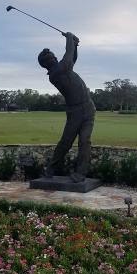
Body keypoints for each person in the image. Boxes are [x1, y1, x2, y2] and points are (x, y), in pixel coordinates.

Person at [37, 32, 96, 183]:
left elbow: (72, 58)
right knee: (66, 142)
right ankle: (51, 168)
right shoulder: (55, 74)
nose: (52, 57)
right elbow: (68, 58)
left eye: (51, 55)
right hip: (75, 111)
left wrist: (74, 45)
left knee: (85, 141)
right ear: (47, 63)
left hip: (89, 107)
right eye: (49, 57)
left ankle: (80, 173)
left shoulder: (63, 68)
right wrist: (69, 38)